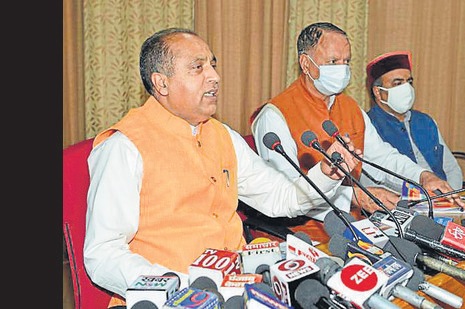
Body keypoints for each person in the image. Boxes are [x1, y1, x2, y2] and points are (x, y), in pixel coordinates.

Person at [83, 27, 360, 308]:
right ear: (162, 83)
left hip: (241, 292)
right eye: (197, 67)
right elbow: (102, 254)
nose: (214, 77)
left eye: (212, 65)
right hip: (172, 298)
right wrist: (178, 287)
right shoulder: (123, 147)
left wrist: (325, 174)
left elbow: (281, 199)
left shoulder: (223, 135)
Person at [250, 22, 465, 219]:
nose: (342, 69)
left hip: (359, 222)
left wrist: (422, 176)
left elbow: (383, 158)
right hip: (304, 230)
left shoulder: (351, 108)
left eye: (347, 61)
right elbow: (285, 191)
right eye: (333, 61)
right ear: (306, 64)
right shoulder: (275, 116)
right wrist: (353, 196)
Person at [365, 50, 463, 190]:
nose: (406, 88)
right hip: (402, 206)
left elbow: (451, 168)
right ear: (378, 92)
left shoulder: (426, 121)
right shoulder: (367, 125)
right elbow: (374, 181)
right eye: (397, 83)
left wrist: (451, 197)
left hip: (445, 203)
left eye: (409, 82)